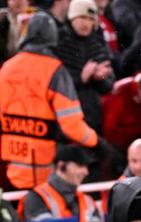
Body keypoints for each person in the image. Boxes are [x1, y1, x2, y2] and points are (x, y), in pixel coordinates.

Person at [0, 12, 99, 190]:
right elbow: (71, 126)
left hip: (10, 169)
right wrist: (95, 140)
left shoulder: (6, 68)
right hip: (43, 175)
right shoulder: (55, 70)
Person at [55, 0, 115, 134]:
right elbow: (53, 81)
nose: (86, 23)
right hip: (63, 117)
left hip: (92, 117)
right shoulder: (59, 42)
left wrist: (100, 78)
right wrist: (81, 78)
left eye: (90, 19)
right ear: (72, 17)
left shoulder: (98, 44)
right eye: (82, 17)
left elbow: (109, 83)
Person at [18, 145, 102, 222]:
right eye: (80, 165)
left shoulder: (87, 201)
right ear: (61, 166)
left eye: (86, 167)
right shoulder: (37, 198)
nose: (86, 172)